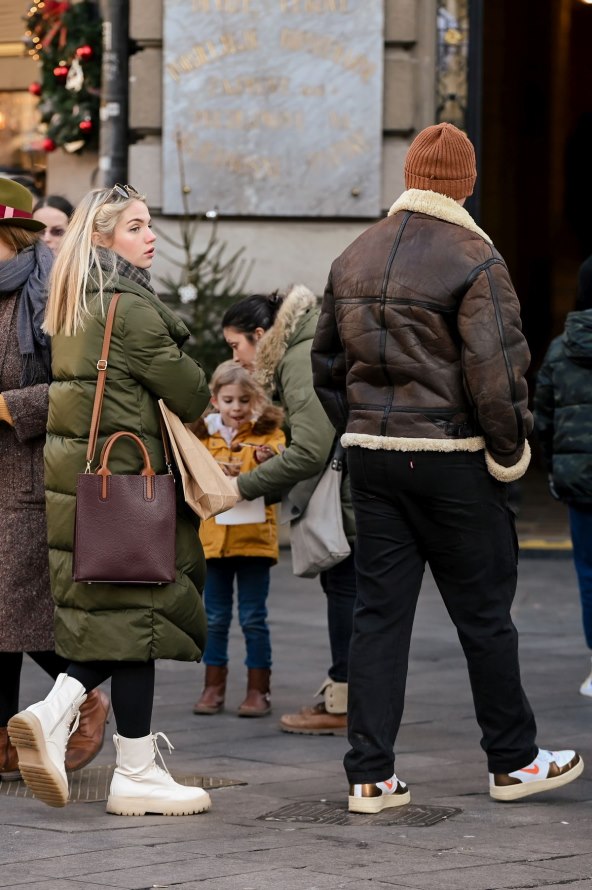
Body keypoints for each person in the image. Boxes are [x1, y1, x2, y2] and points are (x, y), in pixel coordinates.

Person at [311, 122, 584, 812]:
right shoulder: (476, 257)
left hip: (372, 457)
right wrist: (508, 452)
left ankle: (370, 775)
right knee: (485, 615)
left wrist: (364, 429)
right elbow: (497, 374)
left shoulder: (353, 255)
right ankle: (514, 761)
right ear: (464, 185)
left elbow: (327, 368)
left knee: (377, 615)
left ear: (410, 178)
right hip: (453, 458)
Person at [7, 183, 212, 817]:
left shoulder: (72, 304)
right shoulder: (128, 306)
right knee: (139, 624)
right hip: (131, 483)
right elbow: (193, 391)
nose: (150, 235)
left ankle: (114, 751)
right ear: (102, 238)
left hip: (85, 484)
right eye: (135, 226)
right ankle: (116, 758)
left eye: (149, 224)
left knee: (127, 625)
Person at [0, 177, 109, 782]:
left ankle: (84, 695)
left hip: (31, 475)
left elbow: (80, 386)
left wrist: (9, 406)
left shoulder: (51, 291)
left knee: (22, 613)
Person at [222, 286, 356, 734]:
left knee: (346, 590)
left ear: (260, 335)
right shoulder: (307, 344)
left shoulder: (298, 358)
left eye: (236, 345)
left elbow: (311, 451)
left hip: (351, 497)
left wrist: (242, 487)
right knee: (352, 593)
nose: (237, 357)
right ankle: (347, 692)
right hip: (357, 488)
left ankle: (344, 701)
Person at [191, 361, 285, 717]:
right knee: (213, 617)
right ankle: (213, 686)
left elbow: (280, 473)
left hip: (254, 541)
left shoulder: (270, 435)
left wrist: (264, 461)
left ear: (256, 400)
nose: (236, 408)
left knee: (253, 617)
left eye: (244, 400)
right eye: (229, 400)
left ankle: (258, 690)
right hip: (213, 542)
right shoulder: (202, 435)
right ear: (215, 400)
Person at [534, 254, 592, 697]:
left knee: (589, 574)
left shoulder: (559, 347)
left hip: (579, 480)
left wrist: (554, 467)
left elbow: (544, 420)